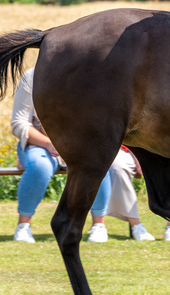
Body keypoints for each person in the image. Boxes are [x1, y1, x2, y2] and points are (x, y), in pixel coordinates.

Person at [10, 68, 156, 243]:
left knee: (97, 163)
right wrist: (50, 144)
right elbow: (19, 123)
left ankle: (98, 225)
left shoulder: (89, 74)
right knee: (40, 166)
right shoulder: (33, 77)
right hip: (39, 144)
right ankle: (23, 226)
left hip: (80, 144)